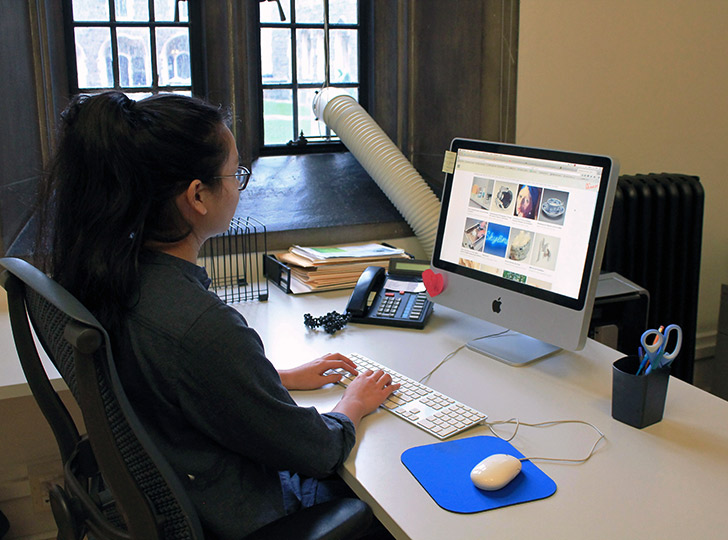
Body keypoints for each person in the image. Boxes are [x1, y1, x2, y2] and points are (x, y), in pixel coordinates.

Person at [35, 91, 400, 538]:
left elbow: (174, 381)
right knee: (391, 509)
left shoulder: (110, 275)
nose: (239, 186)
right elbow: (318, 452)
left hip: (182, 489)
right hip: (238, 513)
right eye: (235, 174)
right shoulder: (202, 329)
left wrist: (270, 379)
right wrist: (353, 404)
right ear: (198, 197)